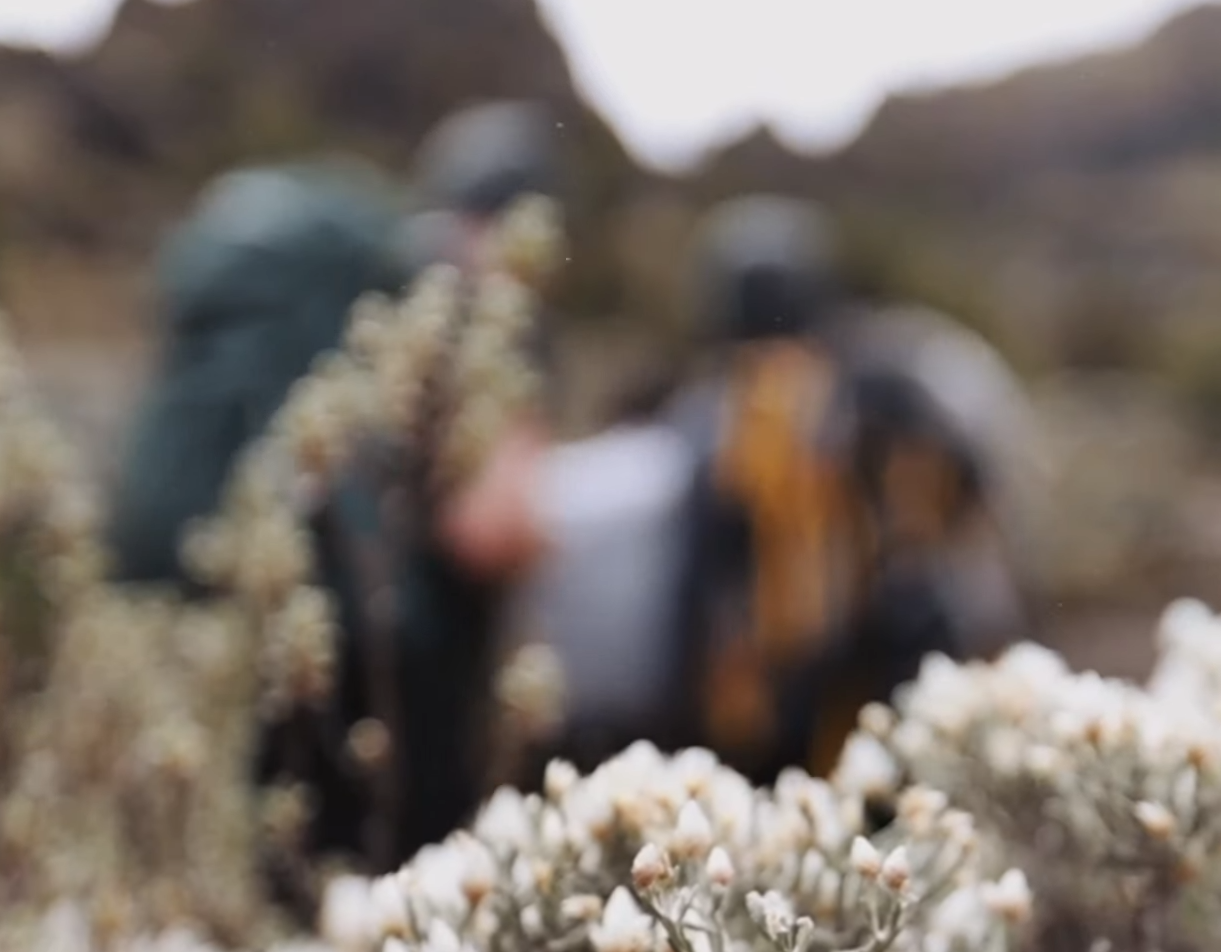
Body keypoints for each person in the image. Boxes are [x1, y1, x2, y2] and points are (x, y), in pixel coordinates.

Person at [108, 103, 560, 873]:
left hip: (280, 644)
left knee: (280, 889)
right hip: (399, 686)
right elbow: (491, 529)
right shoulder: (485, 307)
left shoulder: (364, 281)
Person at [521, 196, 1027, 778]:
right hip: (862, 685)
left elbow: (700, 585)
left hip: (792, 696)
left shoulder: (715, 419)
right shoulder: (881, 388)